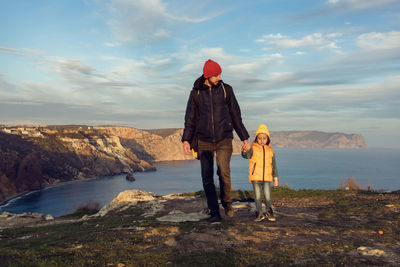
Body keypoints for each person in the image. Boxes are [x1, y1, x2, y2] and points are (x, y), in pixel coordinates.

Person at [182, 59, 251, 223]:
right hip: (203, 140)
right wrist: (186, 140)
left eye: (220, 74)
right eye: (216, 75)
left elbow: (236, 115)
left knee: (224, 173)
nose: (219, 77)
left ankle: (227, 203)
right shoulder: (196, 93)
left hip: (224, 138)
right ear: (207, 76)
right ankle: (214, 212)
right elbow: (190, 119)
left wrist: (244, 138)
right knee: (207, 177)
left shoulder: (227, 90)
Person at [242, 124, 279, 222]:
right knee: (257, 196)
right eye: (259, 138)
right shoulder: (253, 148)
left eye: (264, 138)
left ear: (268, 139)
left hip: (267, 178)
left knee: (267, 195)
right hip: (256, 177)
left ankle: (269, 211)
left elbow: (274, 165)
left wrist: (275, 177)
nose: (262, 140)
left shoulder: (270, 151)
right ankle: (259, 213)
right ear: (256, 139)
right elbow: (246, 156)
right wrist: (244, 150)